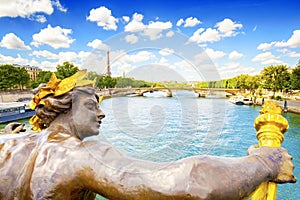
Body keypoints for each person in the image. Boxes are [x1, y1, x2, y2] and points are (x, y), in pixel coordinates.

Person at [0, 70, 296, 200]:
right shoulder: (83, 155)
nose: (101, 113)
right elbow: (188, 182)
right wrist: (265, 163)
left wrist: (18, 133)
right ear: (65, 109)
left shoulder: (8, 142)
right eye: (91, 105)